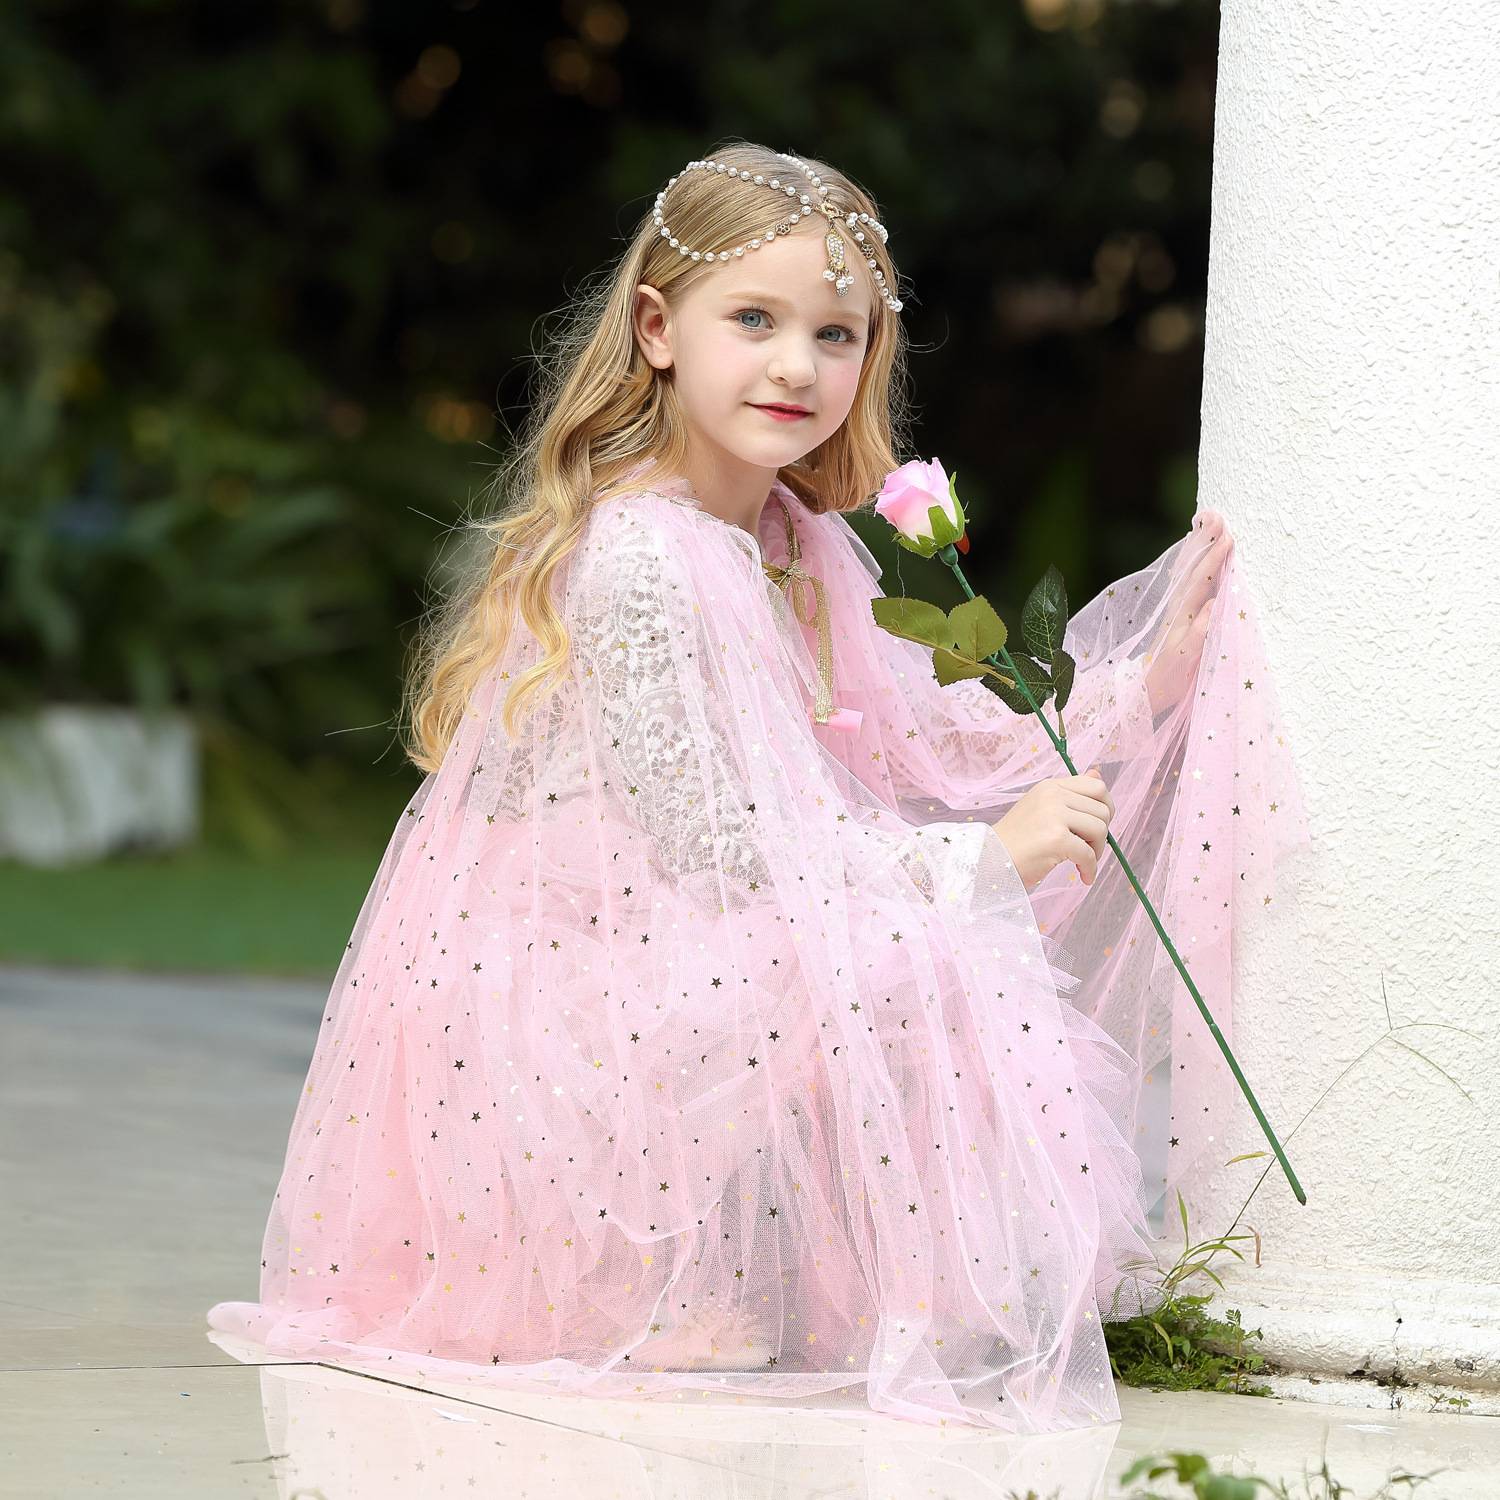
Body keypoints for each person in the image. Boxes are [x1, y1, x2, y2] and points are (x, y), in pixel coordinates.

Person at [207, 141, 1310, 1432]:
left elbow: (931, 737)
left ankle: (747, 1279)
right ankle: (633, 1279)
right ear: (658, 330)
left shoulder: (793, 536)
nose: (796, 366)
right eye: (754, 321)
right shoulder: (645, 554)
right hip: (573, 996)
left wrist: (1129, 696)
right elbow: (719, 840)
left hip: (681, 940)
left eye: (835, 334)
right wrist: (975, 864)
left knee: (927, 943)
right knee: (930, 947)